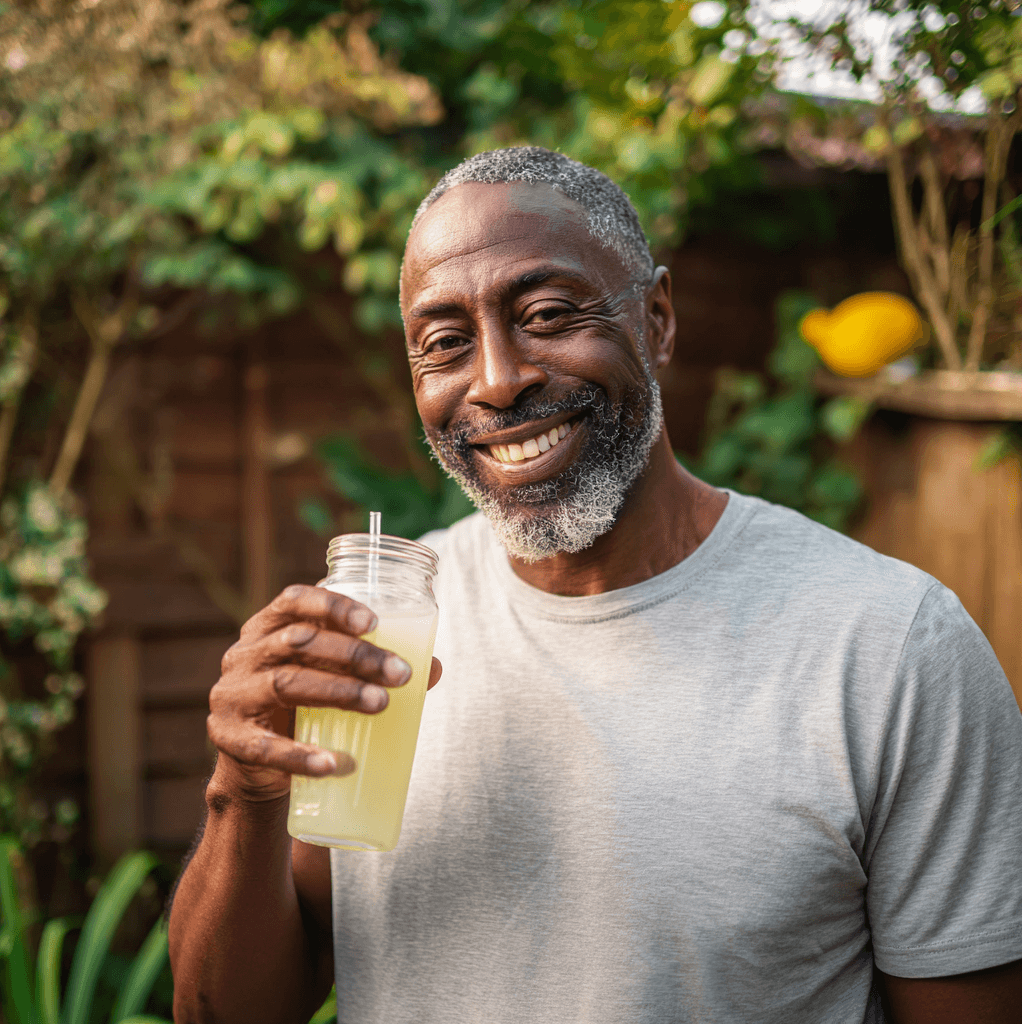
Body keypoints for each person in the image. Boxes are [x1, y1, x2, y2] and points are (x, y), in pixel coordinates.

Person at [167, 147, 1022, 1024]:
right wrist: (245, 790)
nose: (498, 379)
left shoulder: (887, 645)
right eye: (444, 344)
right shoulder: (379, 635)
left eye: (545, 313)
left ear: (656, 318)